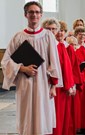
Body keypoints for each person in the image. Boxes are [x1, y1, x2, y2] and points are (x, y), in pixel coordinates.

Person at [1, 1, 62, 134]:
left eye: (36, 12)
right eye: (31, 12)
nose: (34, 15)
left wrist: (54, 86)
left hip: (43, 83)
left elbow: (54, 62)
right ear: (25, 15)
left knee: (42, 116)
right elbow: (5, 61)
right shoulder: (18, 37)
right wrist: (22, 68)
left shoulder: (48, 36)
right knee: (25, 116)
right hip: (25, 83)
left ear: (41, 15)